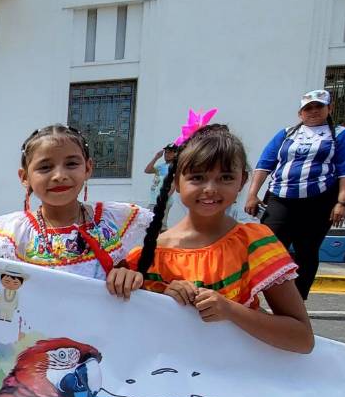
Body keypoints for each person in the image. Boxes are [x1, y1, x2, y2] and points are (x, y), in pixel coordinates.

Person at [128, 122, 314, 353]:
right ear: (176, 182)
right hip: (170, 381)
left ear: (242, 181)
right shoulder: (148, 255)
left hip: (238, 379)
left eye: (225, 177)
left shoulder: (254, 243)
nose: (210, 189)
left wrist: (229, 310)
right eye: (197, 177)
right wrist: (166, 299)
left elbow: (302, 339)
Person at [0, 124, 151, 299]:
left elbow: (132, 279)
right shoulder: (16, 233)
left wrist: (129, 276)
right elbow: (5, 290)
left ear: (87, 168)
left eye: (71, 164)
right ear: (25, 177)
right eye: (45, 167)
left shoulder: (111, 222)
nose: (59, 175)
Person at [244, 90, 345, 299]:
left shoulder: (341, 134)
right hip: (281, 196)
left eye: (319, 107)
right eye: (308, 108)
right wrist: (253, 194)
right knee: (267, 246)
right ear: (300, 113)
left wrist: (342, 202)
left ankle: (297, 299)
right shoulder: (287, 133)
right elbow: (264, 164)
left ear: (329, 109)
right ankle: (255, 294)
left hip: (319, 200)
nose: (313, 111)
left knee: (306, 250)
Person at [144, 143, 179, 218]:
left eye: (170, 152)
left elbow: (173, 185)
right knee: (151, 223)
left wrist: (163, 200)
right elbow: (147, 170)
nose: (167, 154)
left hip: (162, 200)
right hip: (154, 200)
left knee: (157, 225)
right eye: (166, 152)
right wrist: (156, 157)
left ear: (176, 154)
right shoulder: (161, 166)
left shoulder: (174, 167)